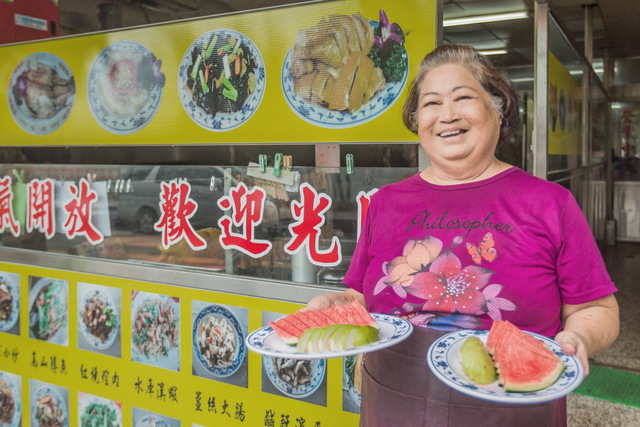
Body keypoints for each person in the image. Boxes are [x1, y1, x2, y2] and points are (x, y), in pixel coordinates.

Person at [305, 45, 619, 427]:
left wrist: (579, 339)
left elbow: (597, 309)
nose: (447, 115)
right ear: (418, 119)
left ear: (498, 108)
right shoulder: (386, 203)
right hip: (392, 402)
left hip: (510, 408)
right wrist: (334, 304)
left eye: (463, 97)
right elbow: (362, 296)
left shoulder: (550, 203)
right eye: (431, 103)